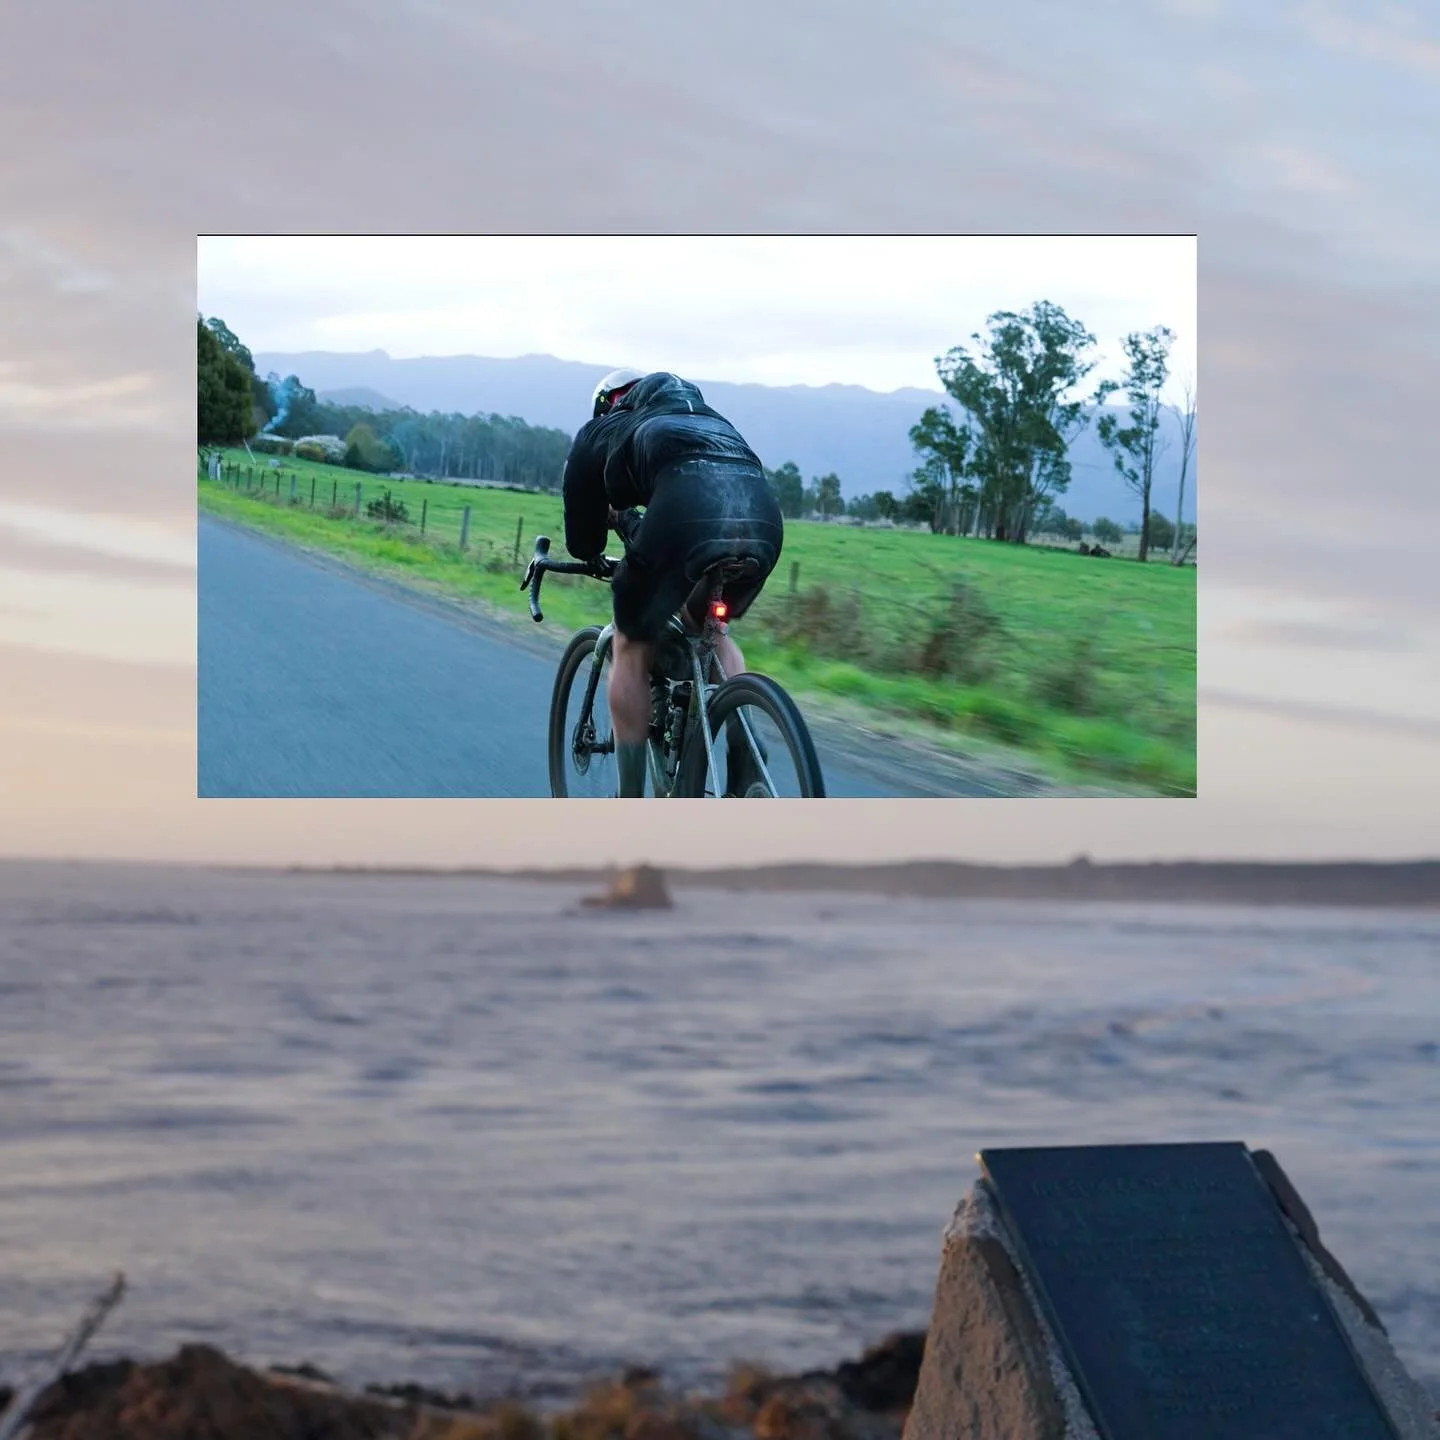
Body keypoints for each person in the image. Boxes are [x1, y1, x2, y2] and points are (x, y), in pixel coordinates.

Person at [562, 369, 784, 797]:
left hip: (688, 510)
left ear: (607, 404)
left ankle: (632, 805)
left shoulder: (602, 429)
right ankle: (747, 750)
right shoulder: (711, 419)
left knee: (631, 641)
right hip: (762, 521)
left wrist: (615, 521)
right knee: (711, 628)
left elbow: (582, 542)